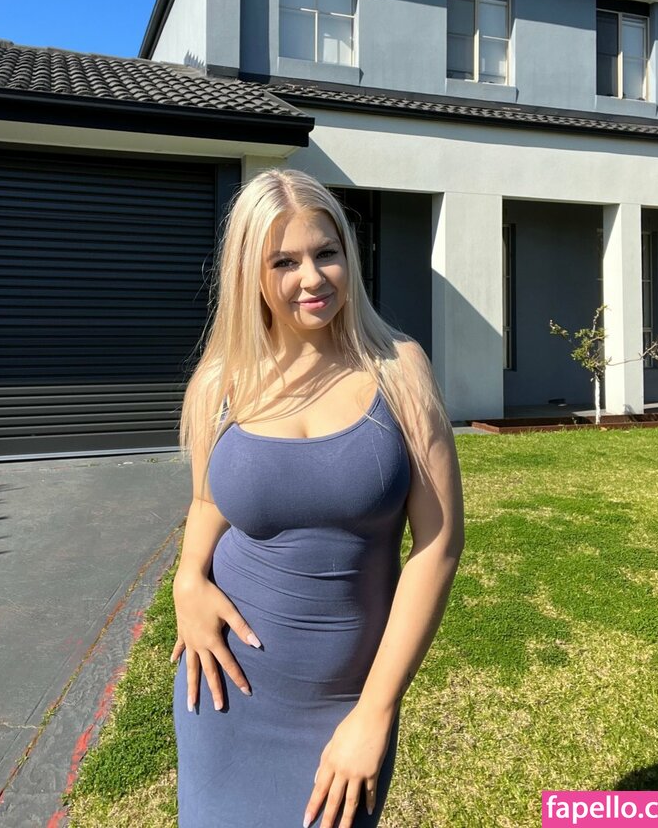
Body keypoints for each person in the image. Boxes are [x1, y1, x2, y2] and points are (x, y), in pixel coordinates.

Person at [170, 168, 464, 827]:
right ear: (251, 273)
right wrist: (188, 579)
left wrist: (375, 712)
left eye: (325, 253)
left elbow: (439, 543)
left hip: (345, 706)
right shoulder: (221, 382)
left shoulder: (399, 370)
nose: (312, 278)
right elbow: (209, 504)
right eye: (284, 262)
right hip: (225, 691)